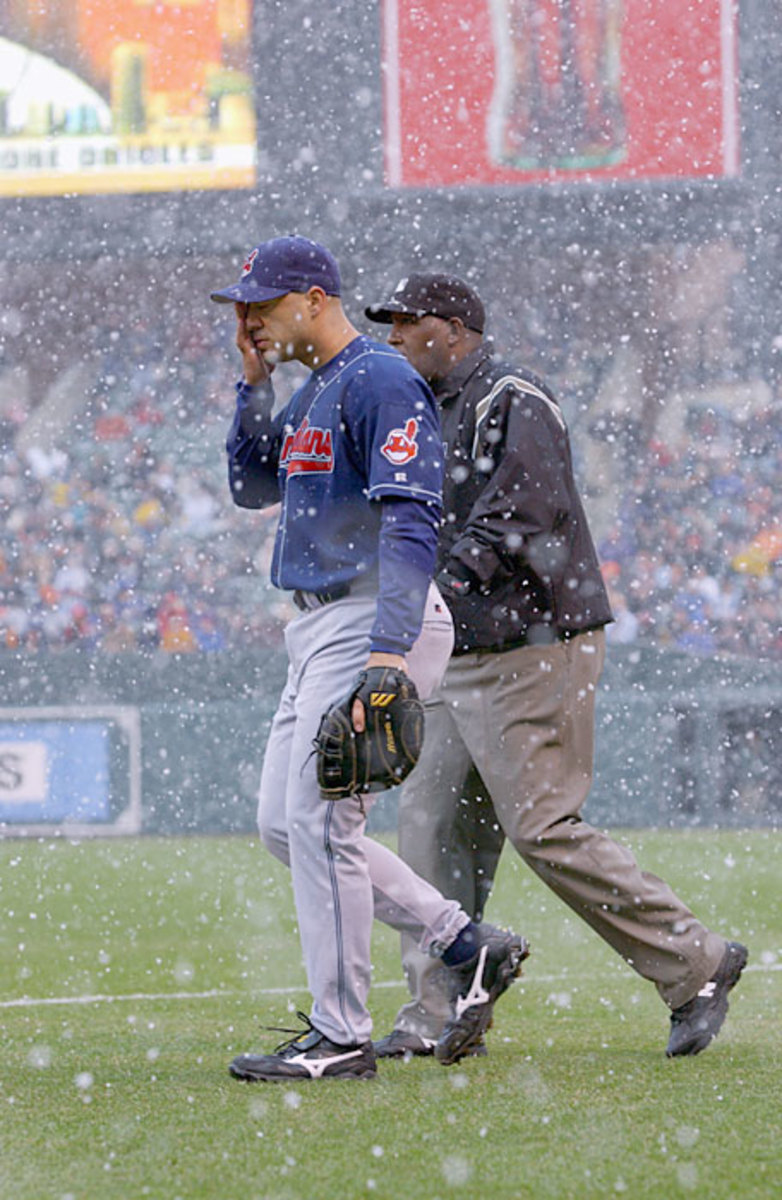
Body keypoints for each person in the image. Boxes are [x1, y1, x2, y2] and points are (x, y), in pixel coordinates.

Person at [364, 272, 747, 1060]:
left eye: (407, 322)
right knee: (429, 832)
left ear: (456, 329)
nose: (394, 335)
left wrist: (445, 584)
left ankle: (697, 964)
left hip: (534, 644)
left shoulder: (514, 394)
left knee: (543, 829)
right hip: (455, 650)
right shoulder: (419, 412)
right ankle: (439, 1006)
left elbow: (527, 507)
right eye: (389, 323)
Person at [211, 238, 529, 1082]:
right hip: (320, 624)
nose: (249, 318)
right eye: (242, 307)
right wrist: (253, 385)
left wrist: (387, 652)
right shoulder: (317, 387)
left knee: (323, 821)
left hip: (370, 617)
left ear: (314, 299)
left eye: (263, 305)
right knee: (286, 825)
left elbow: (412, 520)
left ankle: (340, 1033)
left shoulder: (380, 378)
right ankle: (463, 941)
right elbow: (251, 485)